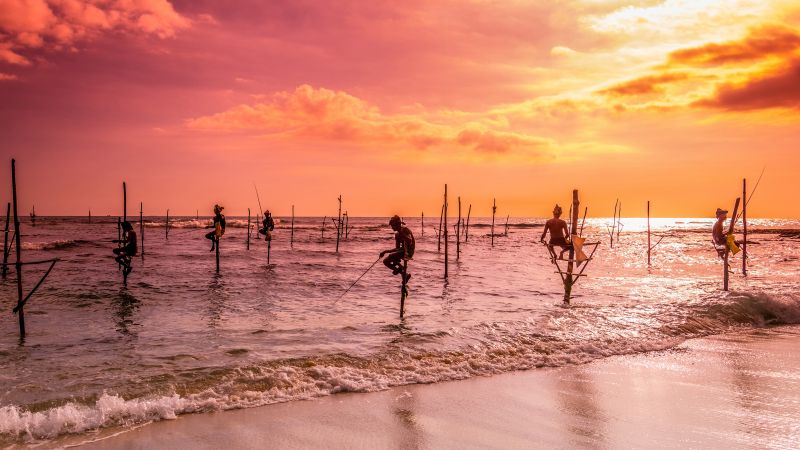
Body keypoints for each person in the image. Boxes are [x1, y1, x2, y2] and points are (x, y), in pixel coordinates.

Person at [379, 215, 415, 284]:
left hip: (409, 251)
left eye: (393, 225)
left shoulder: (405, 230)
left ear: (397, 224)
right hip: (402, 250)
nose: (392, 227)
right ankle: (403, 273)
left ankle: (401, 270)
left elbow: (409, 242)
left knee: (391, 256)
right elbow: (397, 248)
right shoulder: (397, 234)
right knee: (385, 261)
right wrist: (385, 251)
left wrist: (402, 234)